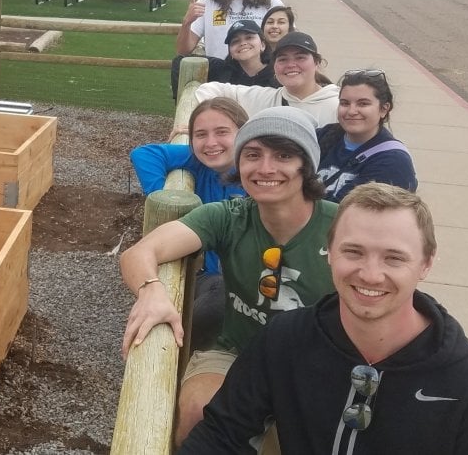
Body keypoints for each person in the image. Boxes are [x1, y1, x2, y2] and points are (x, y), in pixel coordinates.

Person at [180, 183, 468, 454]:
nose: (370, 274)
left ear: (426, 264)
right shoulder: (284, 340)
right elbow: (221, 435)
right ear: (330, 252)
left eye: (394, 258)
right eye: (353, 252)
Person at [119, 106, 339, 445]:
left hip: (317, 361)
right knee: (196, 413)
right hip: (237, 351)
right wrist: (152, 291)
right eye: (253, 154)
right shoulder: (229, 216)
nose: (265, 168)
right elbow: (139, 253)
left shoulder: (341, 226)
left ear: (306, 165)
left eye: (283, 155)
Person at [129, 98, 250, 350]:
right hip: (211, 277)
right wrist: (164, 198)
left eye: (222, 132)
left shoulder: (257, 175)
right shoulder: (199, 163)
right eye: (201, 134)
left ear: (244, 133)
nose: (211, 143)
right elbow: (144, 154)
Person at [170, 0, 283, 99]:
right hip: (223, 77)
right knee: (179, 63)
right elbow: (183, 50)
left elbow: (287, 41)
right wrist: (187, 22)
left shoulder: (270, 2)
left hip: (261, 78)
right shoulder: (208, 1)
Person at [194, 31, 340, 126]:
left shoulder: (339, 105)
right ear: (274, 67)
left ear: (316, 63)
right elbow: (207, 90)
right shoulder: (264, 98)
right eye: (282, 59)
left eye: (300, 57)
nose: (291, 65)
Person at [318, 68, 417, 202]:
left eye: (363, 104)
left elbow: (349, 212)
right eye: (345, 103)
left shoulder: (393, 162)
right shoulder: (323, 135)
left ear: (384, 109)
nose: (351, 111)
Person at [207, 20, 277, 88]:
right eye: (235, 41)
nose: (243, 43)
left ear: (262, 45)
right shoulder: (221, 71)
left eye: (249, 37)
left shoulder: (277, 74)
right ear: (230, 52)